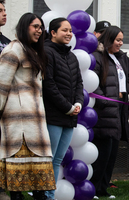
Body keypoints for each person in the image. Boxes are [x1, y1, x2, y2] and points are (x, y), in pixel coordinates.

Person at [0, 13, 56, 200]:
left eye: (40, 27)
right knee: (17, 182)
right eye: (35, 27)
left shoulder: (34, 51)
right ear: (24, 27)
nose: (39, 31)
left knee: (39, 180)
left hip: (36, 120)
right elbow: (1, 84)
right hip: (18, 122)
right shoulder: (12, 50)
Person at [90, 25, 129, 199]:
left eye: (122, 40)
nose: (120, 43)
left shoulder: (121, 58)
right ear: (108, 39)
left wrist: (123, 94)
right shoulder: (98, 57)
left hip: (119, 110)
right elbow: (93, 83)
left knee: (112, 154)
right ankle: (92, 188)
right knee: (101, 155)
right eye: (118, 40)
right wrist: (106, 101)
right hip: (104, 113)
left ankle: (103, 189)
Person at [42, 17, 84, 200]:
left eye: (70, 31)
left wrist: (78, 103)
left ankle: (48, 194)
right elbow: (48, 85)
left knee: (57, 159)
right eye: (64, 30)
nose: (68, 34)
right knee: (48, 160)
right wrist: (68, 107)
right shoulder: (46, 52)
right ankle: (45, 195)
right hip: (53, 116)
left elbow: (79, 84)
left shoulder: (72, 56)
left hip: (69, 116)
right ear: (53, 33)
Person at [0, 1, 10, 200]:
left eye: (5, 10)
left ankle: (0, 186)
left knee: (1, 146)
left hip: (6, 104)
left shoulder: (8, 41)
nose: (4, 14)